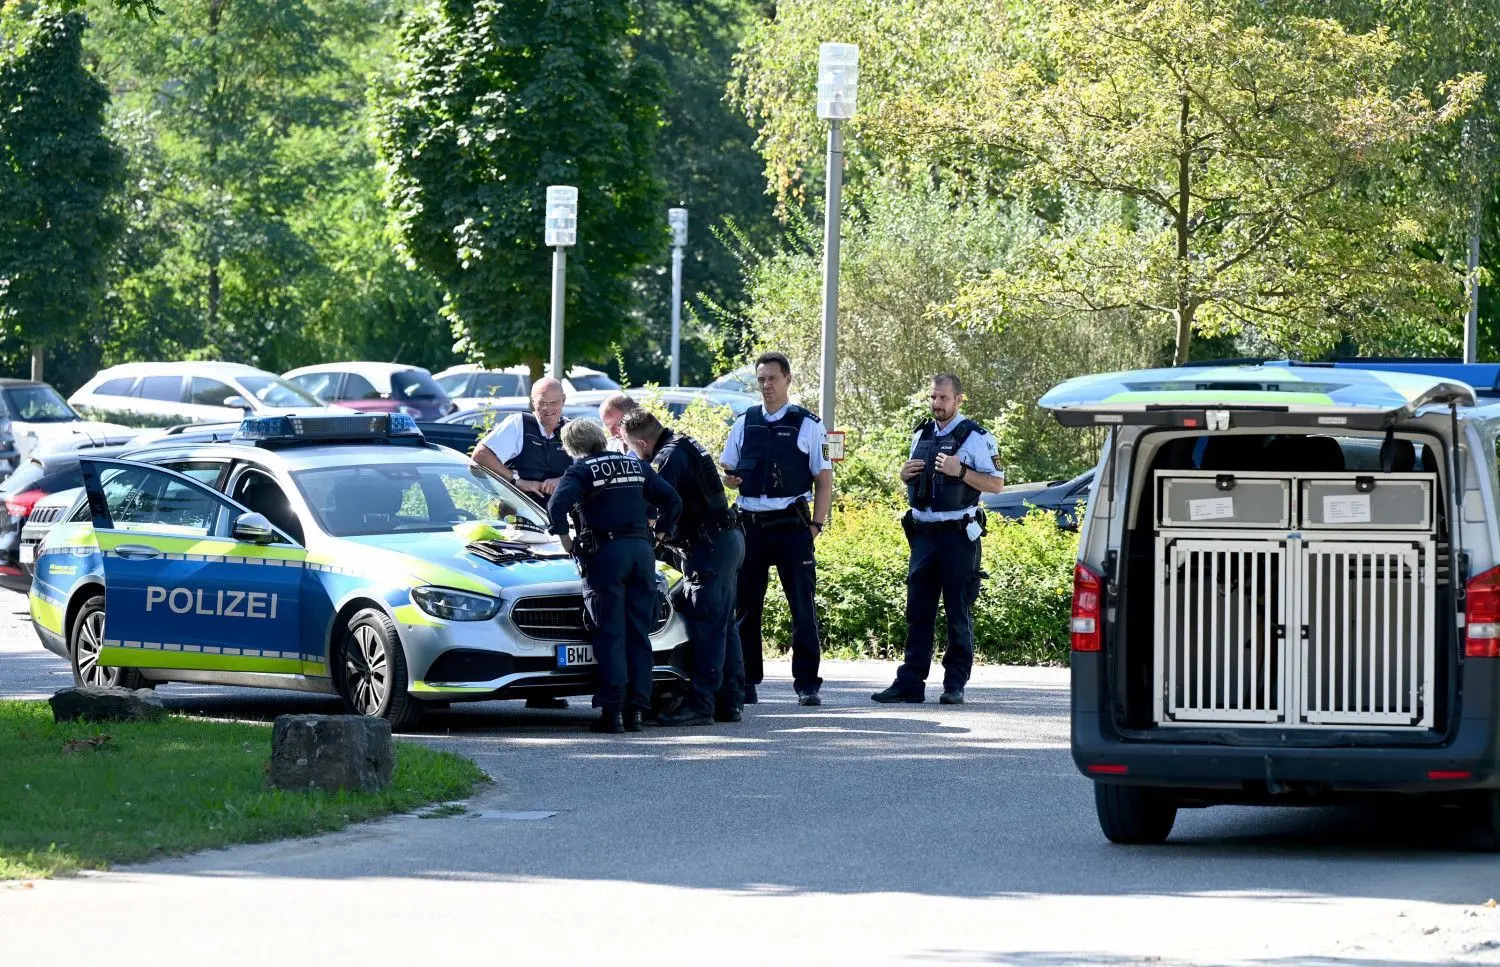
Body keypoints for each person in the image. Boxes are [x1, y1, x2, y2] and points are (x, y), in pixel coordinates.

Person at [872, 374, 1004, 705]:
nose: (937, 404)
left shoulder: (976, 438)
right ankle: (910, 683)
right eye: (933, 397)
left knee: (958, 610)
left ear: (959, 400)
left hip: (958, 535)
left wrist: (960, 471)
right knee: (918, 611)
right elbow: (913, 480)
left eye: (944, 398)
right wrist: (903, 474)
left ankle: (954, 684)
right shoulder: (921, 433)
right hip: (923, 534)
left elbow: (996, 485)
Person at [547, 419, 682, 734]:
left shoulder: (581, 471)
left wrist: (567, 541)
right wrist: (661, 533)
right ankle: (636, 710)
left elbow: (557, 506)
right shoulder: (633, 465)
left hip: (606, 555)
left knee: (610, 634)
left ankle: (613, 713)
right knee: (638, 634)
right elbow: (672, 500)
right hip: (641, 554)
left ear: (573, 448)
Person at [720, 351, 832, 707]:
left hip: (791, 527)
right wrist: (730, 479)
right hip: (750, 525)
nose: (767, 385)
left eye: (773, 378)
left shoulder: (809, 425)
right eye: (761, 379)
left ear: (788, 380)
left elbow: (824, 479)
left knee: (802, 605)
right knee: (745, 608)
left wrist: (816, 525)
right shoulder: (744, 422)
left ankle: (807, 684)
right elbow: (728, 471)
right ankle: (746, 681)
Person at [621, 407, 746, 725]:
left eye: (632, 447)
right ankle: (729, 702)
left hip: (708, 548)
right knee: (722, 625)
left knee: (706, 626)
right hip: (724, 540)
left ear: (643, 443)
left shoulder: (666, 459)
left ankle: (701, 705)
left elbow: (654, 508)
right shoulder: (683, 443)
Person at [473, 377, 571, 503]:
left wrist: (561, 480)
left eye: (554, 403)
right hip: (520, 512)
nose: (548, 408)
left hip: (562, 513)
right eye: (542, 403)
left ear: (563, 400)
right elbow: (481, 454)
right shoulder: (518, 423)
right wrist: (516, 480)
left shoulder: (571, 429)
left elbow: (588, 470)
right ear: (533, 402)